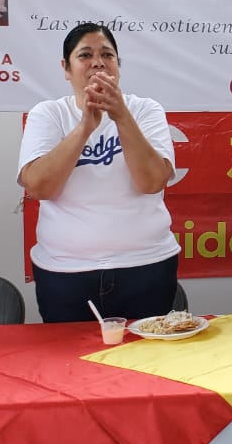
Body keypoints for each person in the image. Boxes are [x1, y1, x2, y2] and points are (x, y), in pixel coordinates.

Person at [18, 22, 181, 322]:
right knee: (69, 365)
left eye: (107, 54)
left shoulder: (145, 110)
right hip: (64, 274)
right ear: (66, 68)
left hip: (145, 268)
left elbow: (152, 181)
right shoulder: (49, 114)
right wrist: (84, 128)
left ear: (118, 65)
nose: (97, 62)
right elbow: (39, 187)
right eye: (85, 55)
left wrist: (120, 116)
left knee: (144, 365)